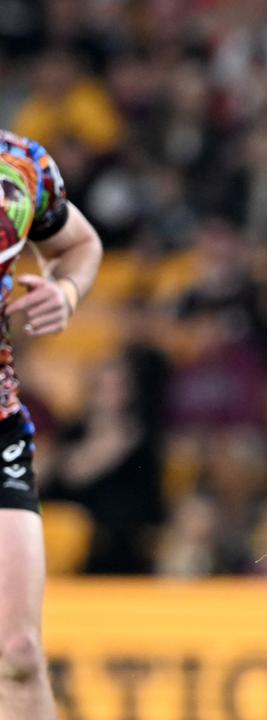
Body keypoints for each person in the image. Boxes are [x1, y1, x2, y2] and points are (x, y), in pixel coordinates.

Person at [0, 130, 104, 720]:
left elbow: (80, 245)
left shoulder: (22, 166)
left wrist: (65, 292)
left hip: (0, 428)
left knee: (18, 650)